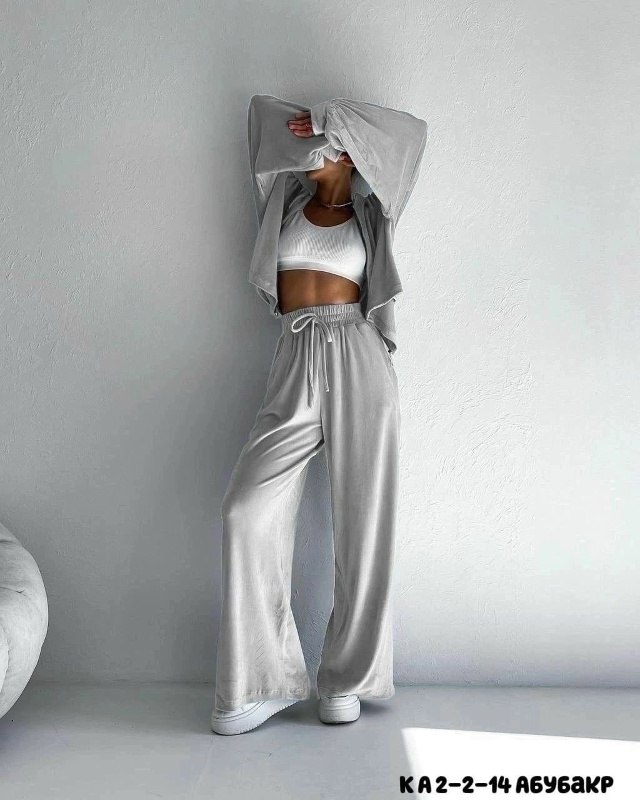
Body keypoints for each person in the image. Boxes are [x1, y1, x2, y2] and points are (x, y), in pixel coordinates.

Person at [211, 94, 428, 735]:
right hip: (295, 354)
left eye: (324, 146)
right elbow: (260, 119)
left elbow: (410, 136)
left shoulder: (372, 209)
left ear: (349, 153)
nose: (311, 153)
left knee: (363, 521)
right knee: (245, 510)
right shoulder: (281, 200)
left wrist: (337, 119)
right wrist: (310, 130)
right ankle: (261, 682)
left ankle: (347, 678)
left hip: (358, 353)